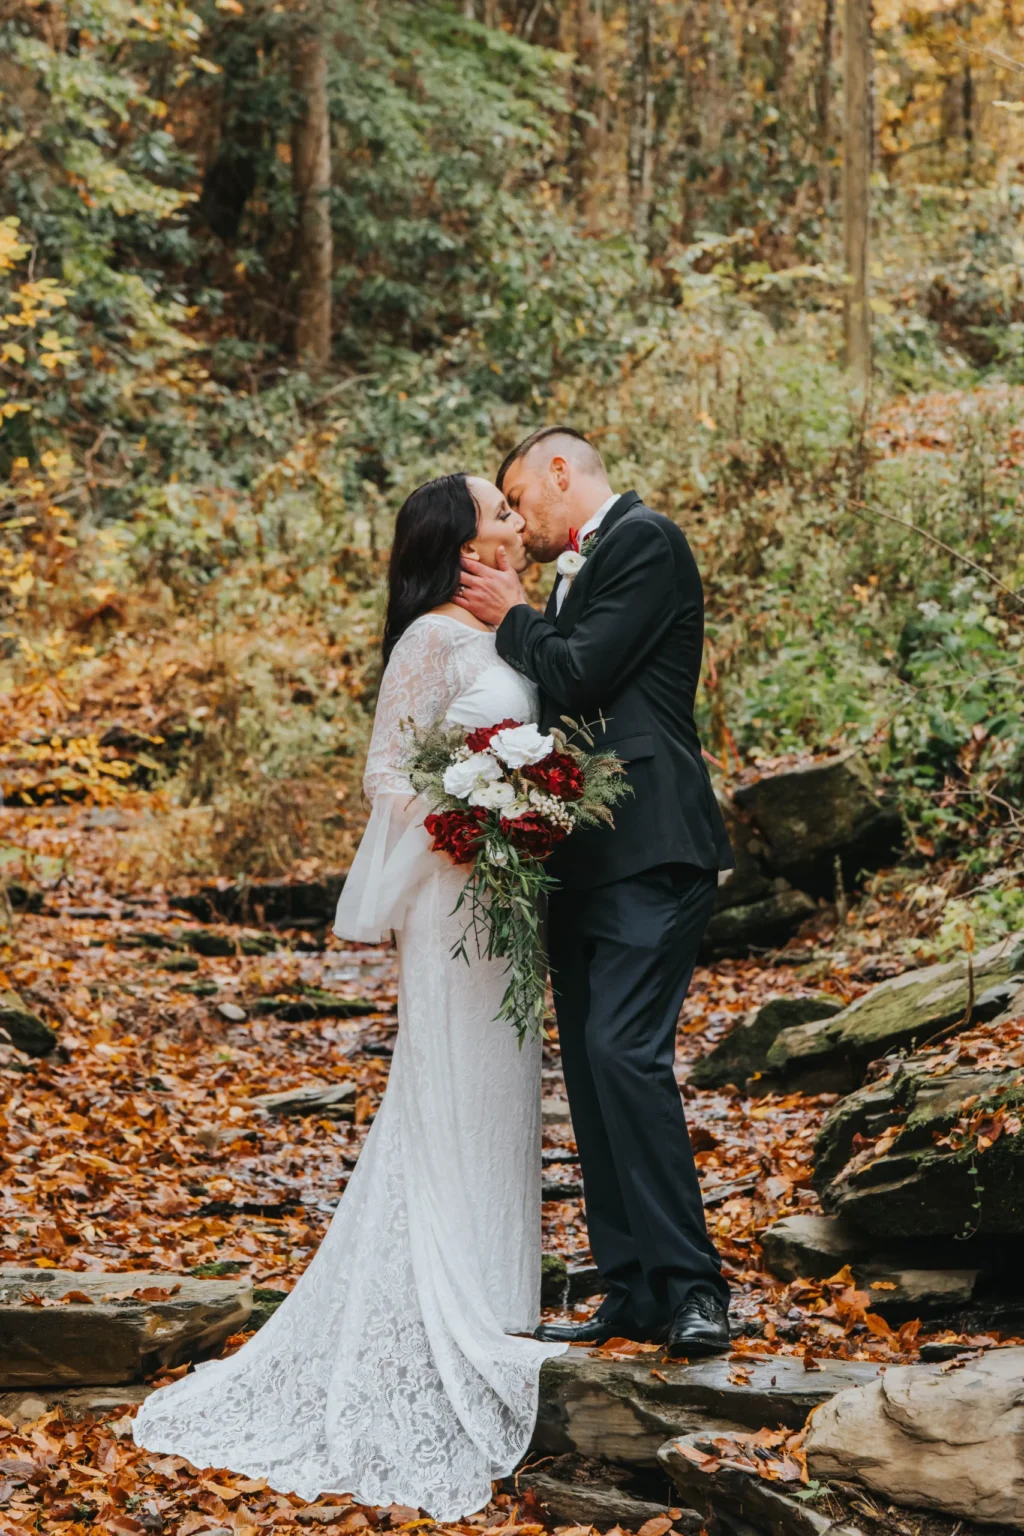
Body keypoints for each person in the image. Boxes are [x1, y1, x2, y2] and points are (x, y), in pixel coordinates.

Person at [132, 473, 566, 1520]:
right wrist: (473, 814)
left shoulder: (515, 630)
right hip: (450, 897)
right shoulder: (428, 640)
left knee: (506, 1092)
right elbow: (388, 773)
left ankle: (501, 1297)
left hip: (508, 908)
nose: (516, 519)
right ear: (460, 544)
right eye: (498, 512)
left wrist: (535, 800)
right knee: (450, 1083)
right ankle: (436, 1305)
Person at [455, 426, 735, 1359]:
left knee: (624, 1054)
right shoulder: (576, 571)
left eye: (519, 499)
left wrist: (509, 615)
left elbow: (580, 670)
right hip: (574, 858)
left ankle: (696, 1288)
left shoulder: (646, 542)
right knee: (586, 1067)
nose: (520, 524)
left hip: (653, 843)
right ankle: (634, 1289)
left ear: (560, 474)